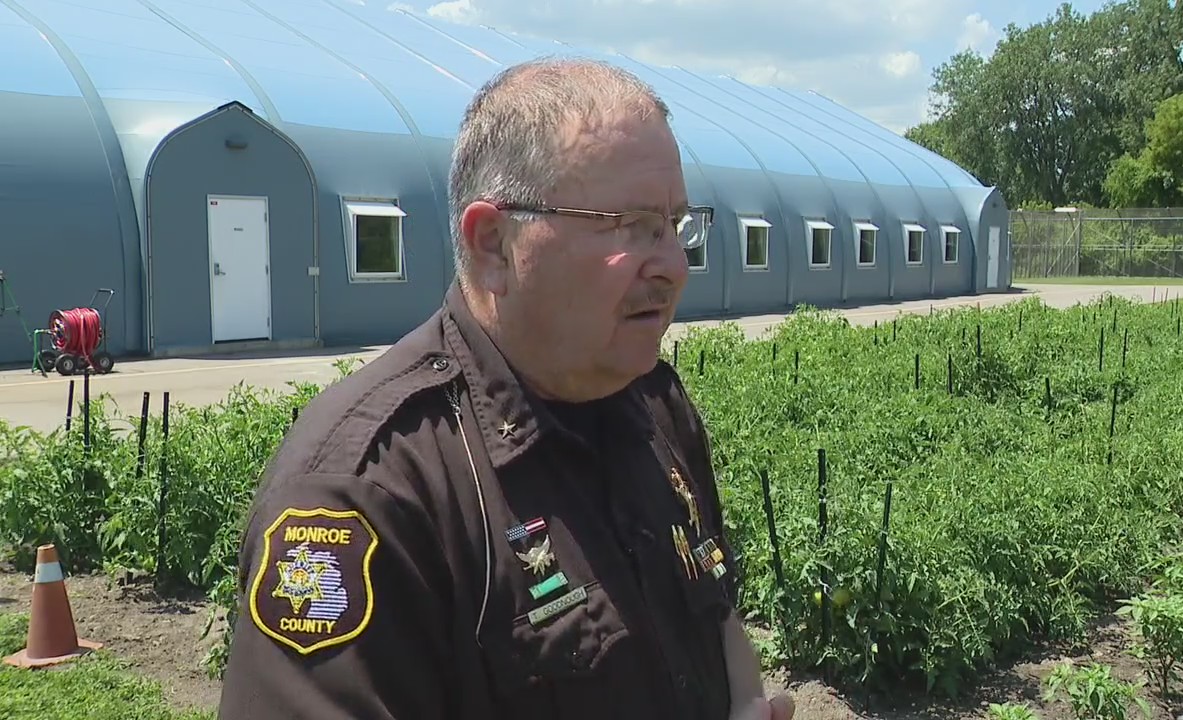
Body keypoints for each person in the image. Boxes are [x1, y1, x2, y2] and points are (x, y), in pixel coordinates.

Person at [216, 56, 795, 720]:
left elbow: (711, 603)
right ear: (495, 244)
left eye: (675, 226)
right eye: (631, 227)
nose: (672, 265)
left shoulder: (653, 406)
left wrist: (745, 697)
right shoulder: (369, 489)